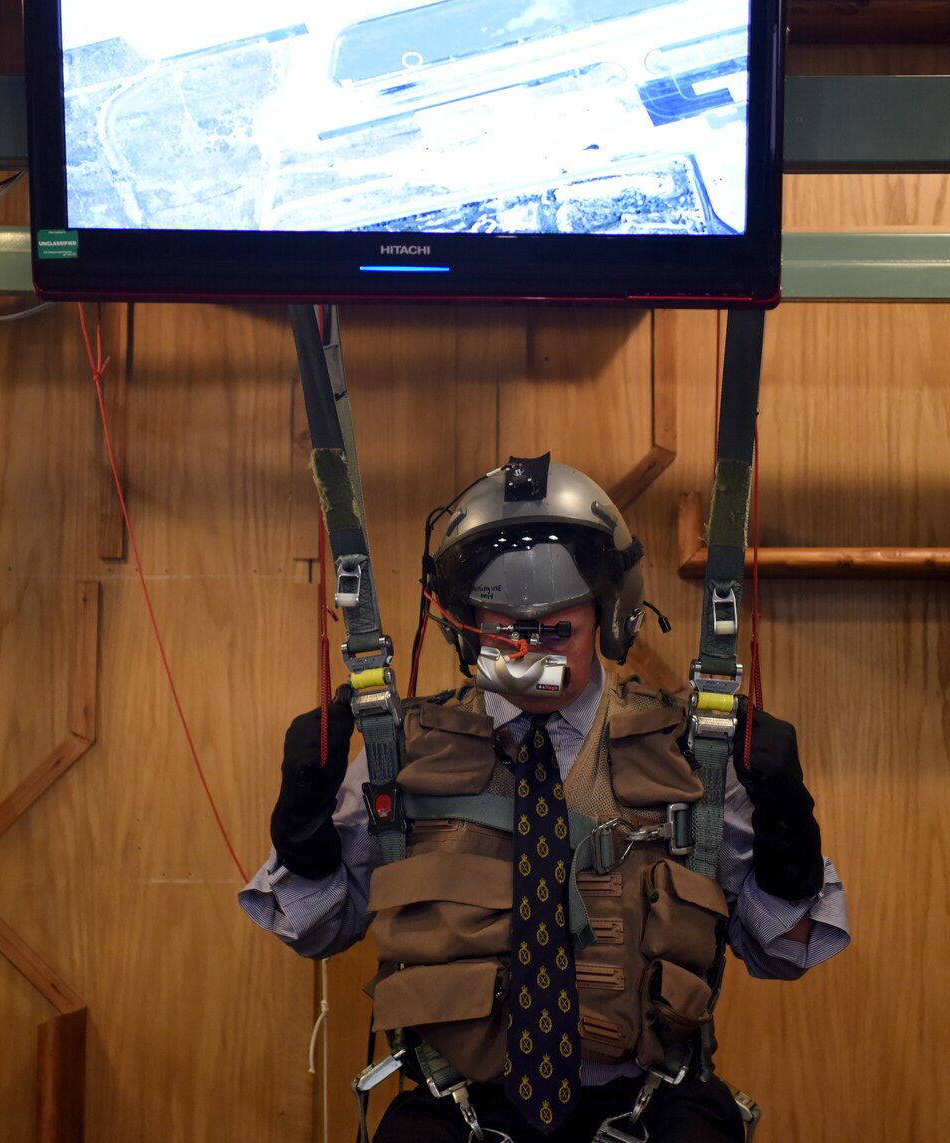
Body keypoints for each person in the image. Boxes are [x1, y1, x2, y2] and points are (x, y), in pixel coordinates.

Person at [241, 456, 848, 1142]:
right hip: (461, 1105)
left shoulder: (693, 756)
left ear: (610, 616)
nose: (530, 657)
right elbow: (318, 930)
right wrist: (304, 833)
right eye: (504, 633)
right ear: (464, 626)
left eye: (557, 632)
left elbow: (784, 952)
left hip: (647, 1103)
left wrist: (789, 832)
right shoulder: (402, 753)